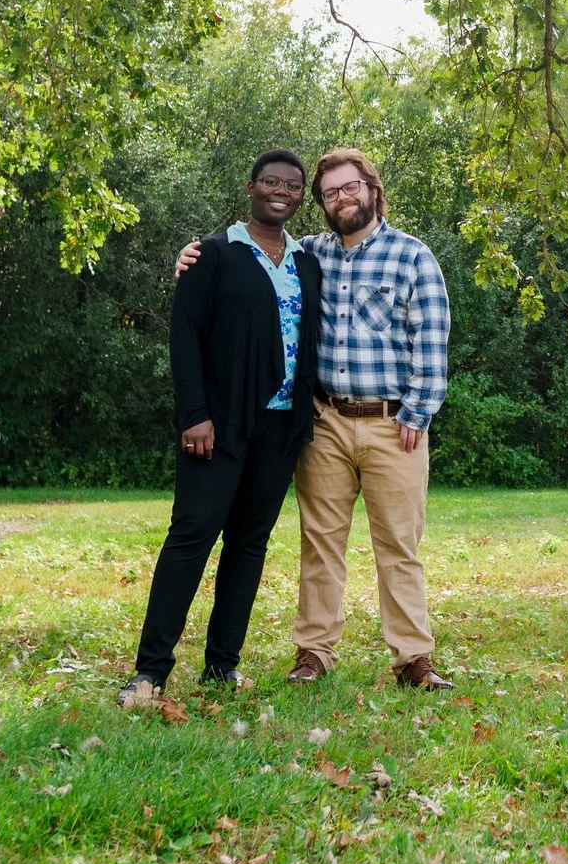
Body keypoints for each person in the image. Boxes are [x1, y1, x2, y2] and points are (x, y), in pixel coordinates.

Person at [178, 145, 452, 691]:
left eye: (350, 187)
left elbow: (432, 341)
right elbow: (253, 260)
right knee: (320, 542)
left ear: (372, 189)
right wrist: (191, 260)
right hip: (323, 421)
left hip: (393, 425)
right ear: (320, 204)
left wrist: (417, 413)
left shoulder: (412, 256)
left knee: (399, 546)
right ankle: (314, 652)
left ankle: (412, 660)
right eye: (330, 193)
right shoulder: (311, 255)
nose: (341, 198)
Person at [120, 149, 322, 709]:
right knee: (191, 538)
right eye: (270, 181)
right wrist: (194, 413)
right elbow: (184, 337)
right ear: (251, 188)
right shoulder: (211, 254)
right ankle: (149, 672)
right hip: (219, 424)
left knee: (249, 545)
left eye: (293, 185)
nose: (281, 191)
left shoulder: (307, 261)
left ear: (302, 197)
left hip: (281, 429)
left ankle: (221, 668)